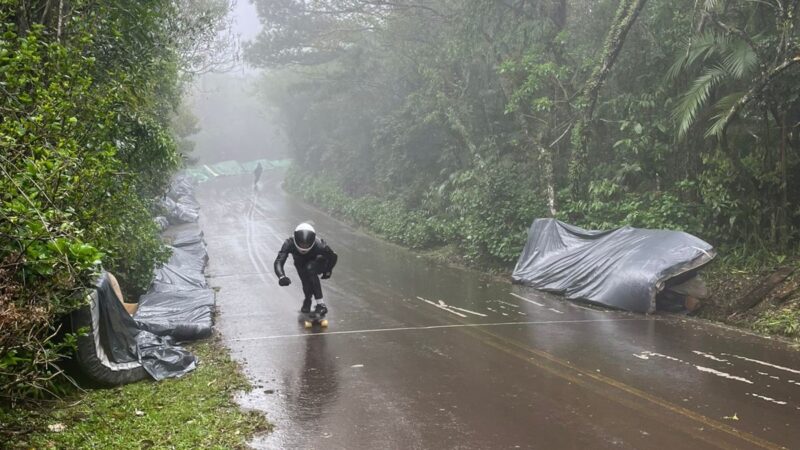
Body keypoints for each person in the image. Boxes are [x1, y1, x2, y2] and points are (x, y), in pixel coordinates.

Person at [274, 222, 338, 315]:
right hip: (300, 263)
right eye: (301, 243)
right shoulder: (289, 243)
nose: (304, 246)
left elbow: (333, 256)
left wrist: (328, 270)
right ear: (295, 238)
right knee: (305, 282)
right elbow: (279, 261)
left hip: (317, 261)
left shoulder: (320, 245)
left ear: (312, 240)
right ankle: (307, 300)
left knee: (310, 268)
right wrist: (281, 276)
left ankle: (321, 305)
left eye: (307, 244)